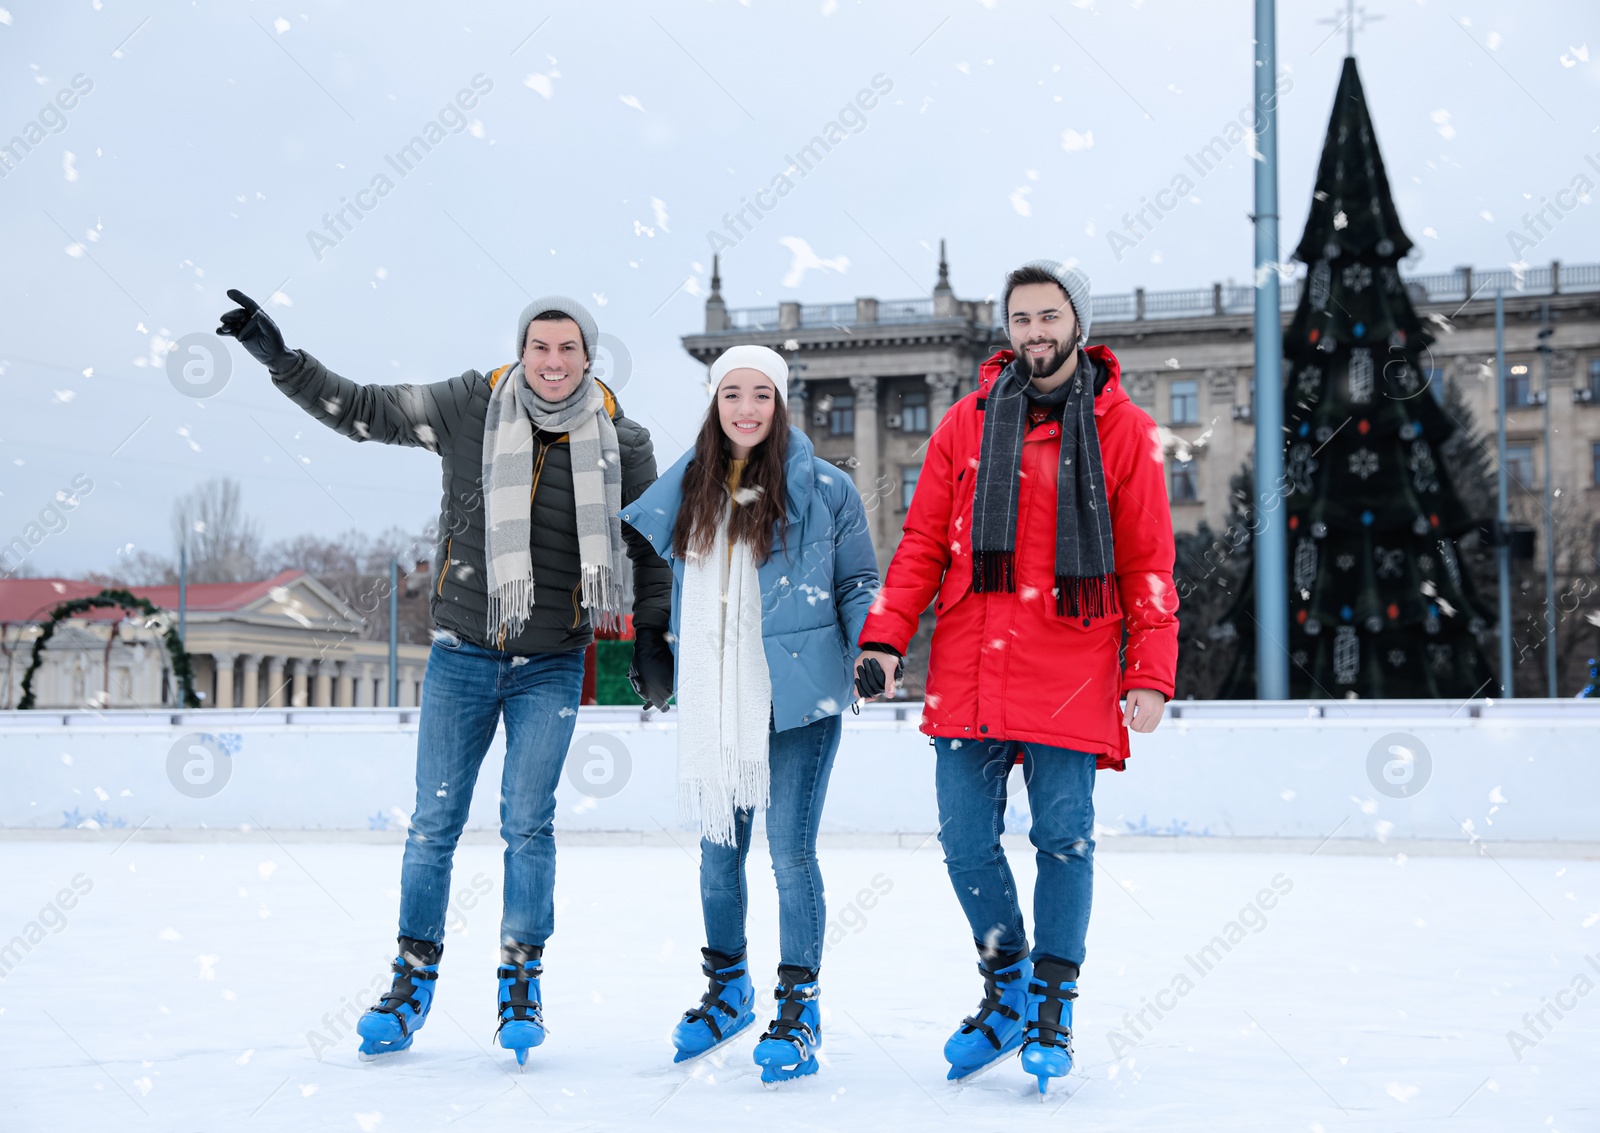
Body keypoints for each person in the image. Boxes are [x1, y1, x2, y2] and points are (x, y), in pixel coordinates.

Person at [216, 289, 674, 1066]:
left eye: (568, 349)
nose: (553, 361)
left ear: (589, 358)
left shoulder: (623, 443)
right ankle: (412, 974)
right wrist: (282, 361)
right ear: (522, 350)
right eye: (540, 346)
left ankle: (521, 973)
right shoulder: (471, 405)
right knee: (433, 825)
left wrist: (655, 629)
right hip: (462, 653)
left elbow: (651, 546)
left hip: (553, 662)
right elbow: (364, 408)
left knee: (529, 823)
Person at [854, 261, 1178, 1094]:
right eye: (1022, 318)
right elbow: (924, 540)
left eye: (1049, 315)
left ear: (1078, 322)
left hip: (1072, 661)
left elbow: (1148, 559)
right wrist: (887, 637)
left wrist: (1150, 669)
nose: (1035, 331)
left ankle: (1051, 1006)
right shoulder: (964, 424)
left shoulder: (1123, 429)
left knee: (1063, 840)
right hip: (968, 663)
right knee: (964, 839)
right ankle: (1006, 986)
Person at [620, 344, 880, 1084]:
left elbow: (859, 577)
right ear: (714, 400)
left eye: (760, 393)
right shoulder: (688, 487)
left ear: (780, 402)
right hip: (716, 695)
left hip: (797, 697)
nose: (745, 407)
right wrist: (652, 637)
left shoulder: (823, 487)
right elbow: (657, 569)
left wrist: (870, 646)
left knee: (791, 855)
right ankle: (728, 987)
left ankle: (799, 1004)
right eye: (731, 392)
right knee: (716, 854)